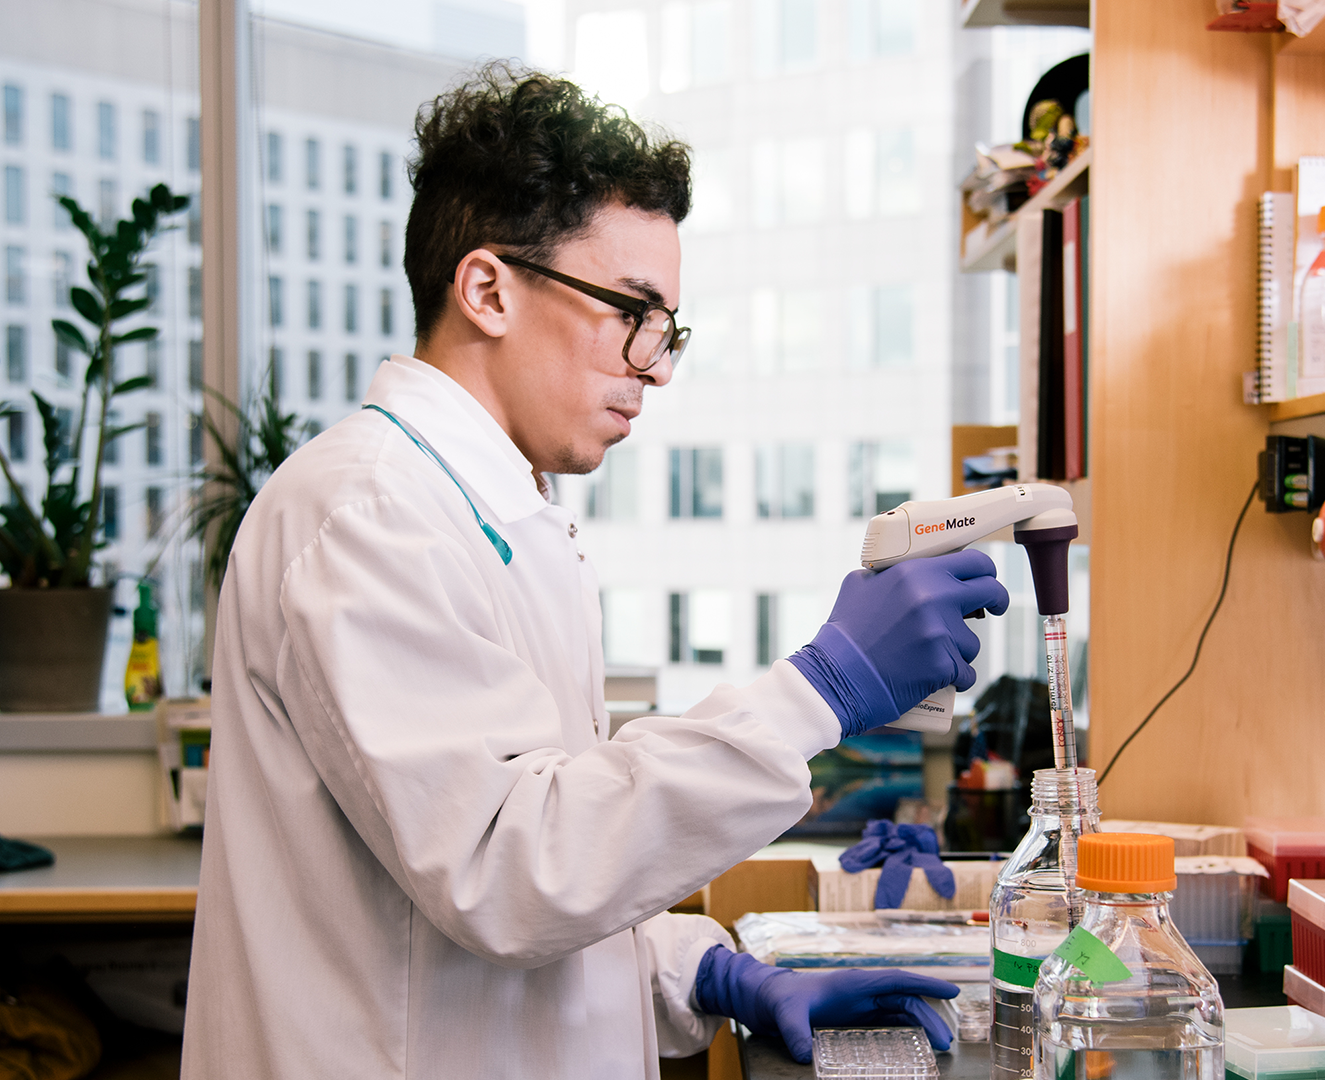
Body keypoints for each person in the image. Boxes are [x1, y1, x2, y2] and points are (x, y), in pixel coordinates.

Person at [180, 65, 1006, 1079]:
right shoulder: (370, 512)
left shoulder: (504, 514)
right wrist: (816, 691)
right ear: (487, 288)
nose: (655, 365)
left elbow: (546, 859)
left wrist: (708, 970)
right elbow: (509, 871)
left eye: (668, 329)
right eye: (630, 310)